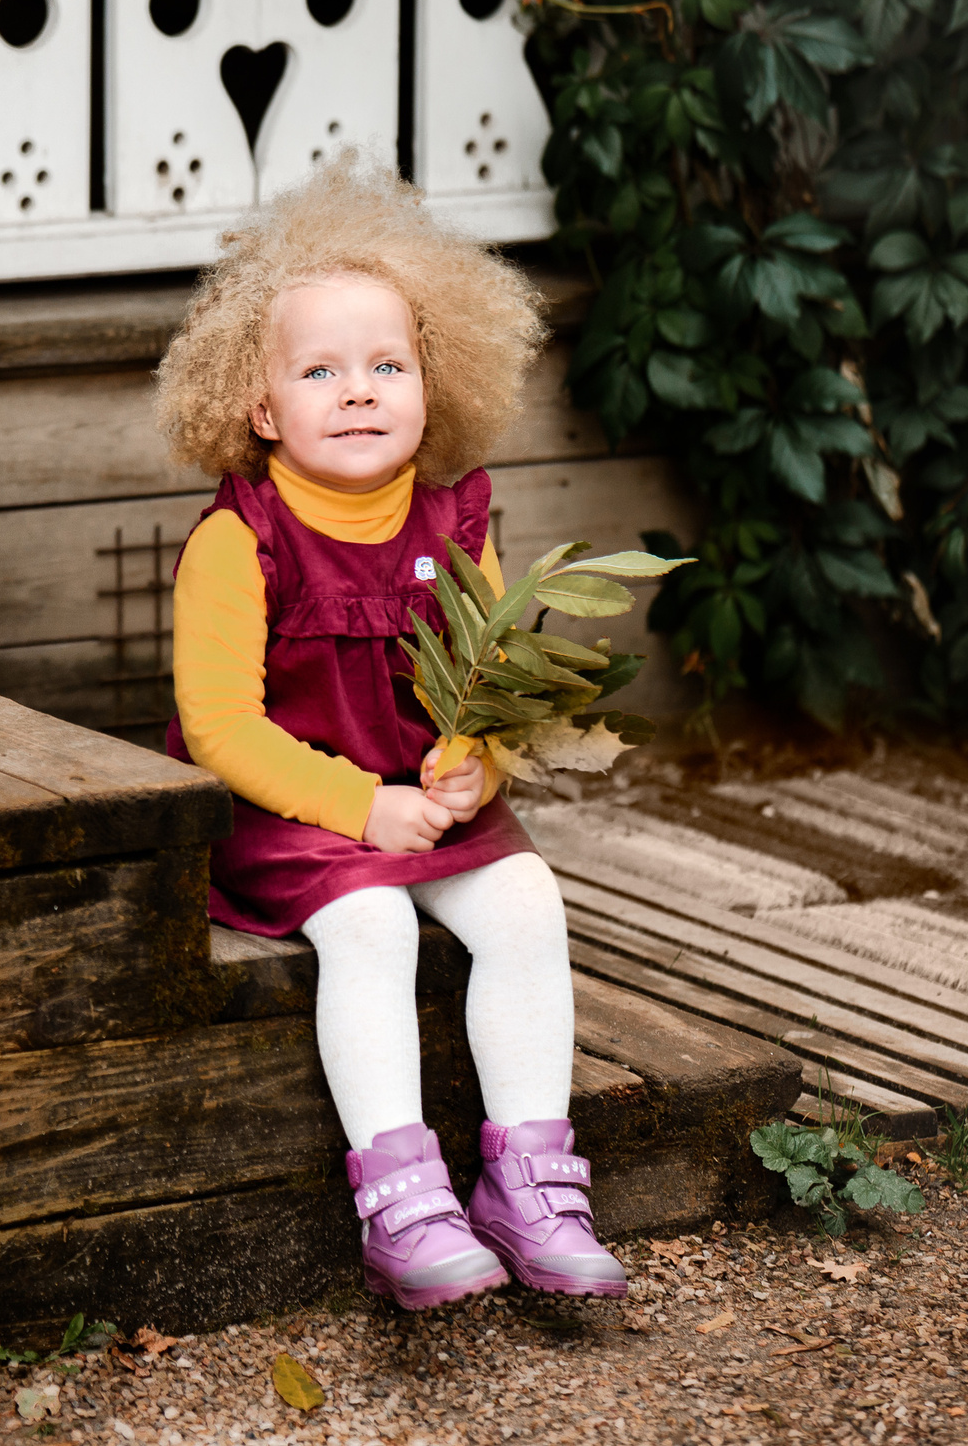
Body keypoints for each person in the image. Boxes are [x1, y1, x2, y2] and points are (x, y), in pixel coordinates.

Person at [153, 153, 627, 1309]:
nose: (357, 389)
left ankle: (529, 1179)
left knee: (525, 902)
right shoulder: (239, 540)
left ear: (434, 381)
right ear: (259, 407)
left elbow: (490, 674)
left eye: (386, 363)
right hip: (289, 814)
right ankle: (402, 1196)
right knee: (368, 921)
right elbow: (219, 724)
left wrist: (476, 760)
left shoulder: (455, 523)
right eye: (319, 370)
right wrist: (362, 807)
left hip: (425, 801)